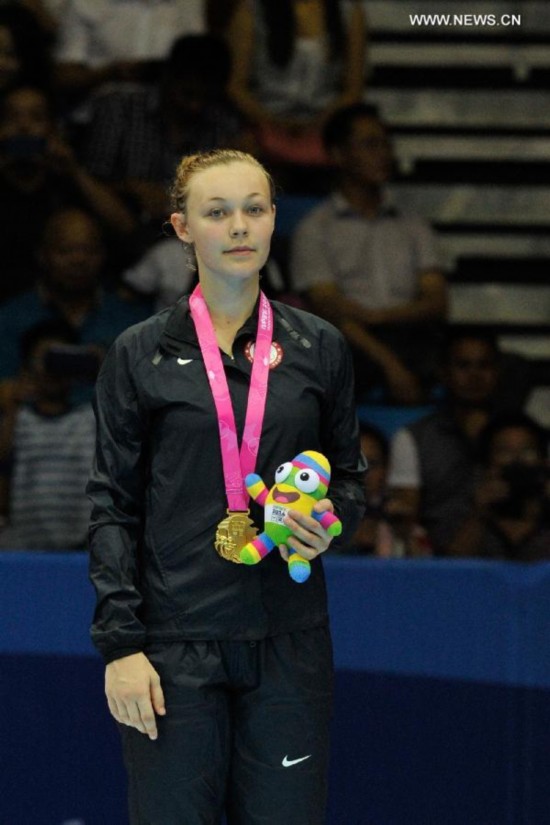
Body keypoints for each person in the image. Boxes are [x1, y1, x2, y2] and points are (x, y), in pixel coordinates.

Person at [87, 148, 366, 824]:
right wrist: (121, 645)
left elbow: (349, 480)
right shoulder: (139, 353)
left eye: (255, 209)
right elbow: (111, 505)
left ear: (274, 220)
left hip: (289, 641)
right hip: (174, 644)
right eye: (218, 212)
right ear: (182, 227)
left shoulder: (319, 347)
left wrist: (332, 521)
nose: (240, 226)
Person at [291, 102, 447, 403]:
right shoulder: (314, 229)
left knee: (504, 367)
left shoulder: (414, 224)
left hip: (412, 336)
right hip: (351, 342)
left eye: (386, 144)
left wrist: (380, 316)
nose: (384, 154)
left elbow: (436, 302)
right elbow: (329, 309)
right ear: (338, 155)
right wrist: (390, 363)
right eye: (370, 145)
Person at [82, 33, 252, 238]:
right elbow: (89, 183)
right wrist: (131, 188)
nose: (195, 106)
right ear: (168, 77)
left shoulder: (223, 124)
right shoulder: (119, 109)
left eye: (205, 98)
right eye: (188, 94)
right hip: (118, 230)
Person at [0, 84, 137, 300]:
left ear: (53, 129)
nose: (23, 126)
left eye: (36, 118)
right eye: (11, 118)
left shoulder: (68, 180)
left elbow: (125, 227)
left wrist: (73, 170)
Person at [387, 329, 511, 555]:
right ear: (443, 373)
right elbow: (406, 521)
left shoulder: (525, 436)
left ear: (498, 372)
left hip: (517, 564)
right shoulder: (412, 438)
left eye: (484, 365)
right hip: (439, 567)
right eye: (463, 365)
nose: (475, 376)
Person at [0, 207, 151, 391]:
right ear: (42, 255)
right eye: (65, 251)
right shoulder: (10, 318)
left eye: (89, 250)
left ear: (103, 255)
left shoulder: (134, 320)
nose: (78, 260)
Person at [226, 0, 367, 167]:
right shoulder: (252, 9)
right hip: (263, 123)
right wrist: (272, 122)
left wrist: (321, 123)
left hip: (326, 126)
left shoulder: (348, 11)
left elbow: (353, 90)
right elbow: (235, 86)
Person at [0, 318, 96, 549]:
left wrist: (103, 368)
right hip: (24, 548)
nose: (53, 369)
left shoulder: (91, 419)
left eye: (61, 358)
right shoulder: (17, 418)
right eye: (45, 360)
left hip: (81, 549)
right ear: (27, 365)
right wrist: (11, 407)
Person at [447, 412, 550, 561]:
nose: (517, 460)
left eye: (528, 451)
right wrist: (479, 514)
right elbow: (452, 568)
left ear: (543, 462)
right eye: (505, 452)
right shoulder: (465, 506)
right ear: (487, 465)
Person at [342, 422, 432, 557]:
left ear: (387, 469)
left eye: (372, 464)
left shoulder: (400, 518)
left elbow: (426, 567)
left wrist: (403, 533)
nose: (364, 473)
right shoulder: (314, 516)